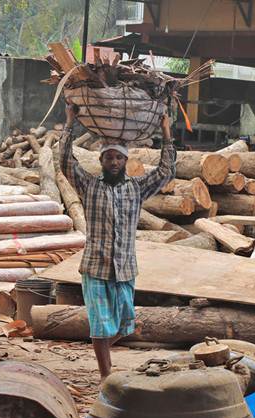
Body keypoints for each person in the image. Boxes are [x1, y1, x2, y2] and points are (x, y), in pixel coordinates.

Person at [60, 104, 177, 379]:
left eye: (118, 158)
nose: (113, 162)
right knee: (101, 326)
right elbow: (66, 162)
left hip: (124, 268)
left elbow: (166, 172)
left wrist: (166, 132)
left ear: (125, 161)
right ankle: (105, 375)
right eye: (108, 158)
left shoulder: (136, 189)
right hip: (96, 268)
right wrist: (69, 122)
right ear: (101, 161)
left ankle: (101, 354)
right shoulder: (89, 186)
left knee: (124, 327)